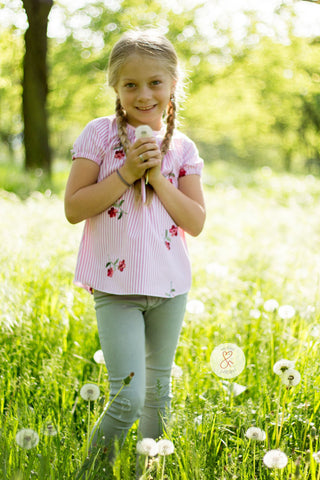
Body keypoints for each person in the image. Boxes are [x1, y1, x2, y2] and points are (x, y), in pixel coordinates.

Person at [64, 28, 206, 475]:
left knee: (157, 395)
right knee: (126, 396)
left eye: (155, 83)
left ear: (173, 86)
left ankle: (147, 471)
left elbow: (196, 222)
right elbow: (74, 208)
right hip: (115, 286)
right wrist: (127, 171)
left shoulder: (182, 147)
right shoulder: (100, 135)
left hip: (169, 286)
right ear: (116, 88)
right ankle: (92, 472)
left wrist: (158, 177)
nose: (144, 94)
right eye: (131, 84)